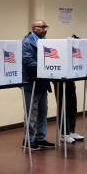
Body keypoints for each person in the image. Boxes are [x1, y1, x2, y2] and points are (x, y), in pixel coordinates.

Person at [21, 20, 55, 150]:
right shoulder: (26, 42)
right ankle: (28, 140)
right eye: (42, 27)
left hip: (42, 83)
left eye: (46, 27)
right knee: (31, 114)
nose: (45, 29)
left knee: (43, 113)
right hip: (30, 83)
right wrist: (46, 66)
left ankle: (40, 138)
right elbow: (28, 63)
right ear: (35, 28)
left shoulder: (44, 41)